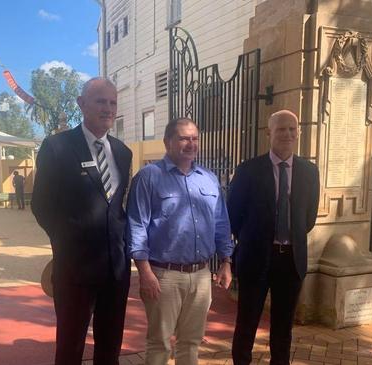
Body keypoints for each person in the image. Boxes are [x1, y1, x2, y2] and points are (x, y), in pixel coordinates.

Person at [31, 77, 133, 365]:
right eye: (101, 101)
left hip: (116, 270)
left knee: (110, 346)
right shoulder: (57, 147)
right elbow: (41, 205)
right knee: (70, 347)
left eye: (112, 102)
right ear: (82, 104)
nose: (108, 108)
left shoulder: (123, 153)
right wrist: (68, 242)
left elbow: (117, 207)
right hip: (74, 270)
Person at [127, 118, 234, 365]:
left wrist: (226, 261)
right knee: (159, 342)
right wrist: (144, 272)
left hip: (201, 274)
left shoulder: (208, 179)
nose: (191, 144)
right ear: (168, 142)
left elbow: (221, 223)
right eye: (184, 138)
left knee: (191, 341)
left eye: (194, 138)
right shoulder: (148, 177)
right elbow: (137, 226)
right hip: (163, 275)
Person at [227, 110, 320, 365]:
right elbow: (233, 214)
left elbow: (308, 219)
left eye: (292, 129)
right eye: (281, 129)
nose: (287, 134)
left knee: (283, 328)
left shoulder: (310, 172)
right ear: (269, 133)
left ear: (298, 132)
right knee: (247, 324)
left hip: (291, 261)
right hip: (256, 259)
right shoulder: (248, 170)